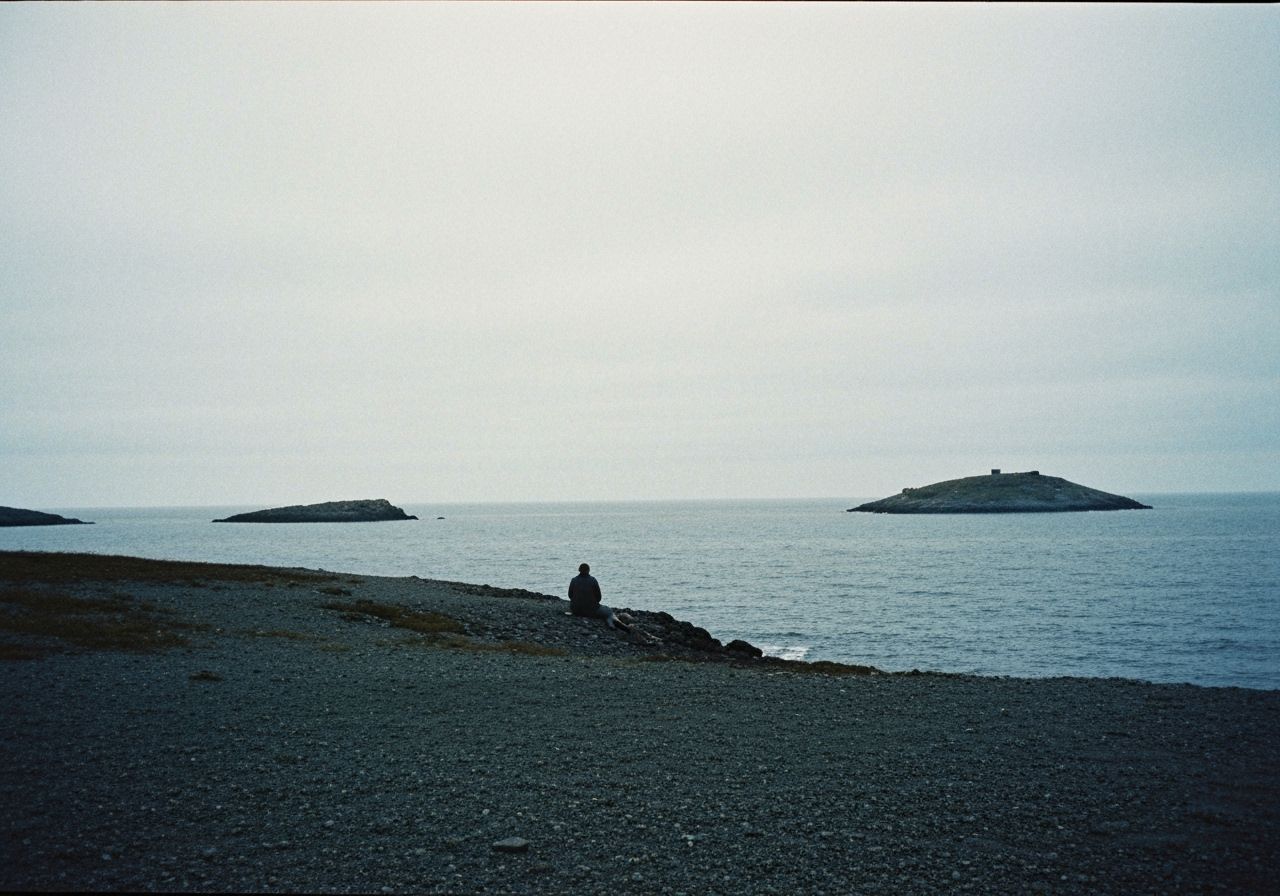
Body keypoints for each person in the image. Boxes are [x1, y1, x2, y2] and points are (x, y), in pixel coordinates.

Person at [568, 563, 630, 632]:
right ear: (588, 570)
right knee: (608, 611)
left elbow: (570, 595)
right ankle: (612, 624)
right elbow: (599, 597)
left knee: (605, 612)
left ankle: (611, 623)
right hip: (591, 611)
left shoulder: (573, 580)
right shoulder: (593, 580)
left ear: (579, 570)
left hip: (576, 610)